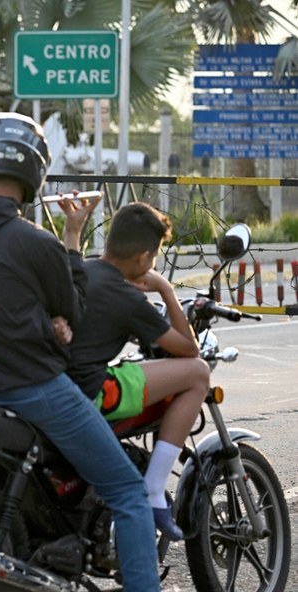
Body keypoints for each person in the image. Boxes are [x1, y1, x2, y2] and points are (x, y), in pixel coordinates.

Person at [0, 112, 161, 592]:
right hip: (28, 390)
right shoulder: (36, 242)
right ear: (33, 174)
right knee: (129, 495)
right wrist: (72, 243)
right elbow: (71, 314)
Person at [64, 201, 209, 541]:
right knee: (198, 374)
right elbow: (189, 351)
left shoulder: (80, 269)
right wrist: (167, 290)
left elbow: (71, 253)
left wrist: (73, 231)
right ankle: (155, 489)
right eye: (154, 257)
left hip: (56, 387)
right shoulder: (128, 300)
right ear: (143, 258)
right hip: (94, 393)